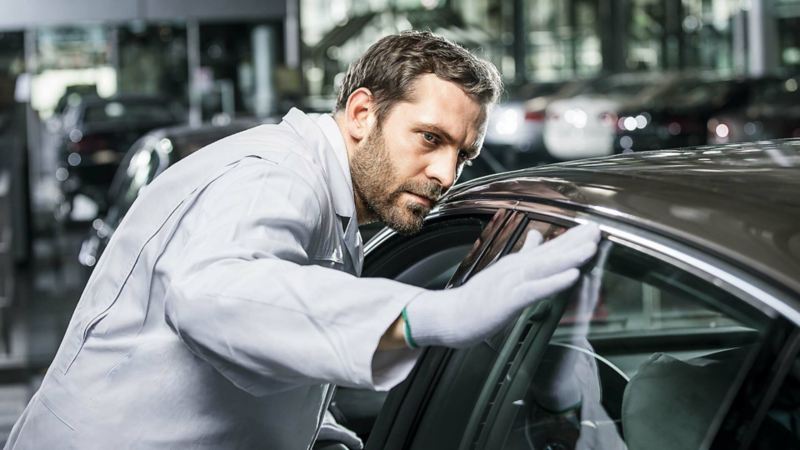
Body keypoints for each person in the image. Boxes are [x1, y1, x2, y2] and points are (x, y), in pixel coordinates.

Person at [6, 31, 600, 449]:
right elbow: (212, 295)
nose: (447, 174)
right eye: (429, 138)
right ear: (362, 113)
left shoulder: (332, 198)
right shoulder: (276, 175)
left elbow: (275, 346)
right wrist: (428, 316)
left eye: (462, 156)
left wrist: (319, 435)